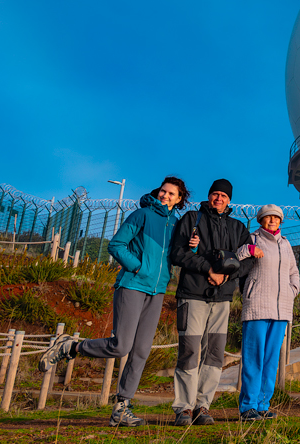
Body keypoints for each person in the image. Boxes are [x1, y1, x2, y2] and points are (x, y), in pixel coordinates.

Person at [38, 176, 189, 427]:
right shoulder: (142, 215)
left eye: (171, 194)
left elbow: (176, 255)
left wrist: (191, 247)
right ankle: (70, 347)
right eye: (163, 191)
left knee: (140, 352)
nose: (165, 196)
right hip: (132, 285)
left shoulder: (175, 224)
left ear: (180, 198)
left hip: (158, 291)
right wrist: (138, 267)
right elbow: (116, 245)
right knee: (121, 346)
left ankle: (121, 407)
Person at [168, 178, 253, 426]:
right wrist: (208, 269)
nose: (219, 199)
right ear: (209, 196)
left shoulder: (238, 228)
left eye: (224, 196)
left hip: (223, 298)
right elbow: (177, 253)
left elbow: (249, 259)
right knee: (190, 351)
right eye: (215, 194)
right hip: (192, 294)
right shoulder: (192, 220)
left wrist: (228, 275)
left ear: (230, 200)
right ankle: (184, 407)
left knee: (215, 354)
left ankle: (203, 406)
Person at [235, 204, 300, 421]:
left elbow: (294, 272)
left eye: (276, 218)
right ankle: (248, 407)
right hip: (257, 307)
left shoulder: (286, 244)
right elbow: (237, 259)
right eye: (267, 217)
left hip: (281, 310)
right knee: (254, 358)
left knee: (271, 360)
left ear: (281, 221)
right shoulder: (252, 238)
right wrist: (249, 250)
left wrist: (292, 291)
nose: (272, 220)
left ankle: (263, 404)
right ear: (260, 220)